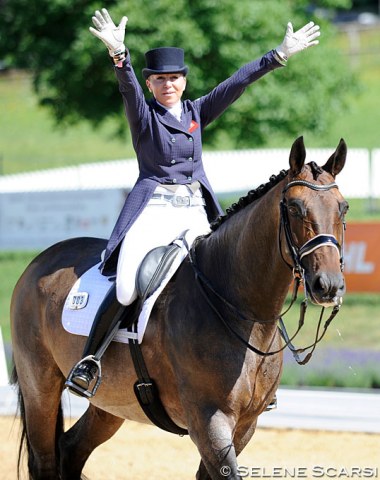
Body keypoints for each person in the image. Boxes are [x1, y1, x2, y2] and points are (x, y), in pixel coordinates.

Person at [65, 8, 320, 397]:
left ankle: (255, 370)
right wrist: (120, 56)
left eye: (174, 78)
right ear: (151, 85)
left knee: (233, 275)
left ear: (184, 82)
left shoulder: (196, 112)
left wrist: (278, 55)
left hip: (194, 211)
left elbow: (237, 83)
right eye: (160, 79)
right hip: (153, 211)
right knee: (127, 288)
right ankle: (91, 359)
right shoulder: (144, 115)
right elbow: (128, 89)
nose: (168, 84)